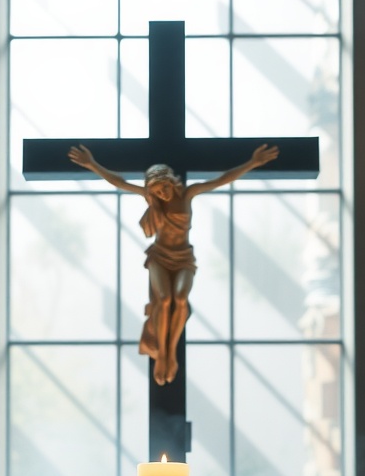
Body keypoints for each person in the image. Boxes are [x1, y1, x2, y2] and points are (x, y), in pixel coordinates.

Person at [68, 142, 279, 385]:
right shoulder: (152, 198)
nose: (162, 195)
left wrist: (253, 162)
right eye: (157, 192)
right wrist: (92, 164)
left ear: (171, 182)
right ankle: (163, 356)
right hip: (159, 256)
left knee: (180, 299)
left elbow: (222, 179)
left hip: (183, 258)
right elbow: (120, 182)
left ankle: (170, 352)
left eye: (164, 188)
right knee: (164, 299)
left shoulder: (188, 194)